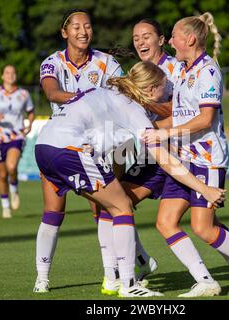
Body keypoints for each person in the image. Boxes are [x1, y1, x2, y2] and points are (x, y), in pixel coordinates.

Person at [33, 61, 226, 297]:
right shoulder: (134, 110)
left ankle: (105, 277)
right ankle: (129, 285)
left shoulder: (104, 91)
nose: (165, 96)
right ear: (151, 88)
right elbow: (164, 160)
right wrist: (203, 188)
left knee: (106, 206)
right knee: (122, 206)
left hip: (43, 146)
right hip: (68, 149)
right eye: (164, 89)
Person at [143, 12, 229, 297]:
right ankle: (204, 280)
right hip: (184, 159)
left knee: (202, 227)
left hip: (208, 159)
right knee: (165, 222)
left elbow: (204, 119)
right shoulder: (181, 70)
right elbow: (173, 108)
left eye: (174, 36)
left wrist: (164, 134)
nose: (171, 41)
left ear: (189, 39)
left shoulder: (208, 70)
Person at [37, 9, 156, 292]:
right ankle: (42, 278)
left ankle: (111, 274)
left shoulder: (107, 63)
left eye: (88, 26)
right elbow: (52, 93)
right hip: (65, 140)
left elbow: (125, 94)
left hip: (106, 143)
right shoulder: (52, 62)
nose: (83, 31)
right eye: (76, 26)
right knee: (54, 211)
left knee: (105, 205)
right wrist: (86, 99)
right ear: (64, 32)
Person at [98, 18, 180, 296]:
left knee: (202, 223)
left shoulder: (176, 69)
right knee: (113, 202)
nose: (141, 42)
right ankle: (129, 268)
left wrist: (145, 102)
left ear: (162, 39)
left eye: (147, 36)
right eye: (136, 37)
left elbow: (187, 110)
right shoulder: (137, 72)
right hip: (148, 153)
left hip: (176, 151)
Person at [0, 65, 35, 219]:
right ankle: (5, 207)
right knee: (2, 174)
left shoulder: (24, 94)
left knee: (12, 167)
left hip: (16, 136)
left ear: (16, 75)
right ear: (2, 76)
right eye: (7, 72)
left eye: (13, 72)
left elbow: (31, 112)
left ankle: (14, 190)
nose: (10, 75)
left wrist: (30, 124)